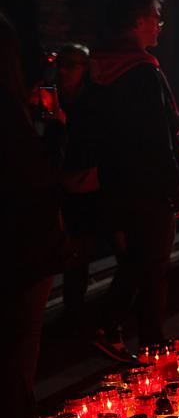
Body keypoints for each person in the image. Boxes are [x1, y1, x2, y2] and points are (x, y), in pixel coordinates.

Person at [89, 0, 179, 362]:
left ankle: (142, 334)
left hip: (116, 180)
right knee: (152, 261)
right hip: (148, 185)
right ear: (138, 20)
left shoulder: (101, 67)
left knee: (138, 258)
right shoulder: (142, 71)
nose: (159, 26)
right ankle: (127, 331)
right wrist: (176, 192)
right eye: (155, 18)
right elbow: (157, 137)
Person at [0, 13, 67, 418]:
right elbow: (36, 177)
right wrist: (57, 133)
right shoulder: (7, 108)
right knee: (19, 340)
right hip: (20, 245)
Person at [53, 43, 100, 327]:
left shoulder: (92, 100)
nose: (63, 70)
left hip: (90, 180)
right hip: (58, 181)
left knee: (85, 244)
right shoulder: (48, 98)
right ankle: (73, 308)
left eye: (72, 65)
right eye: (61, 63)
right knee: (71, 247)